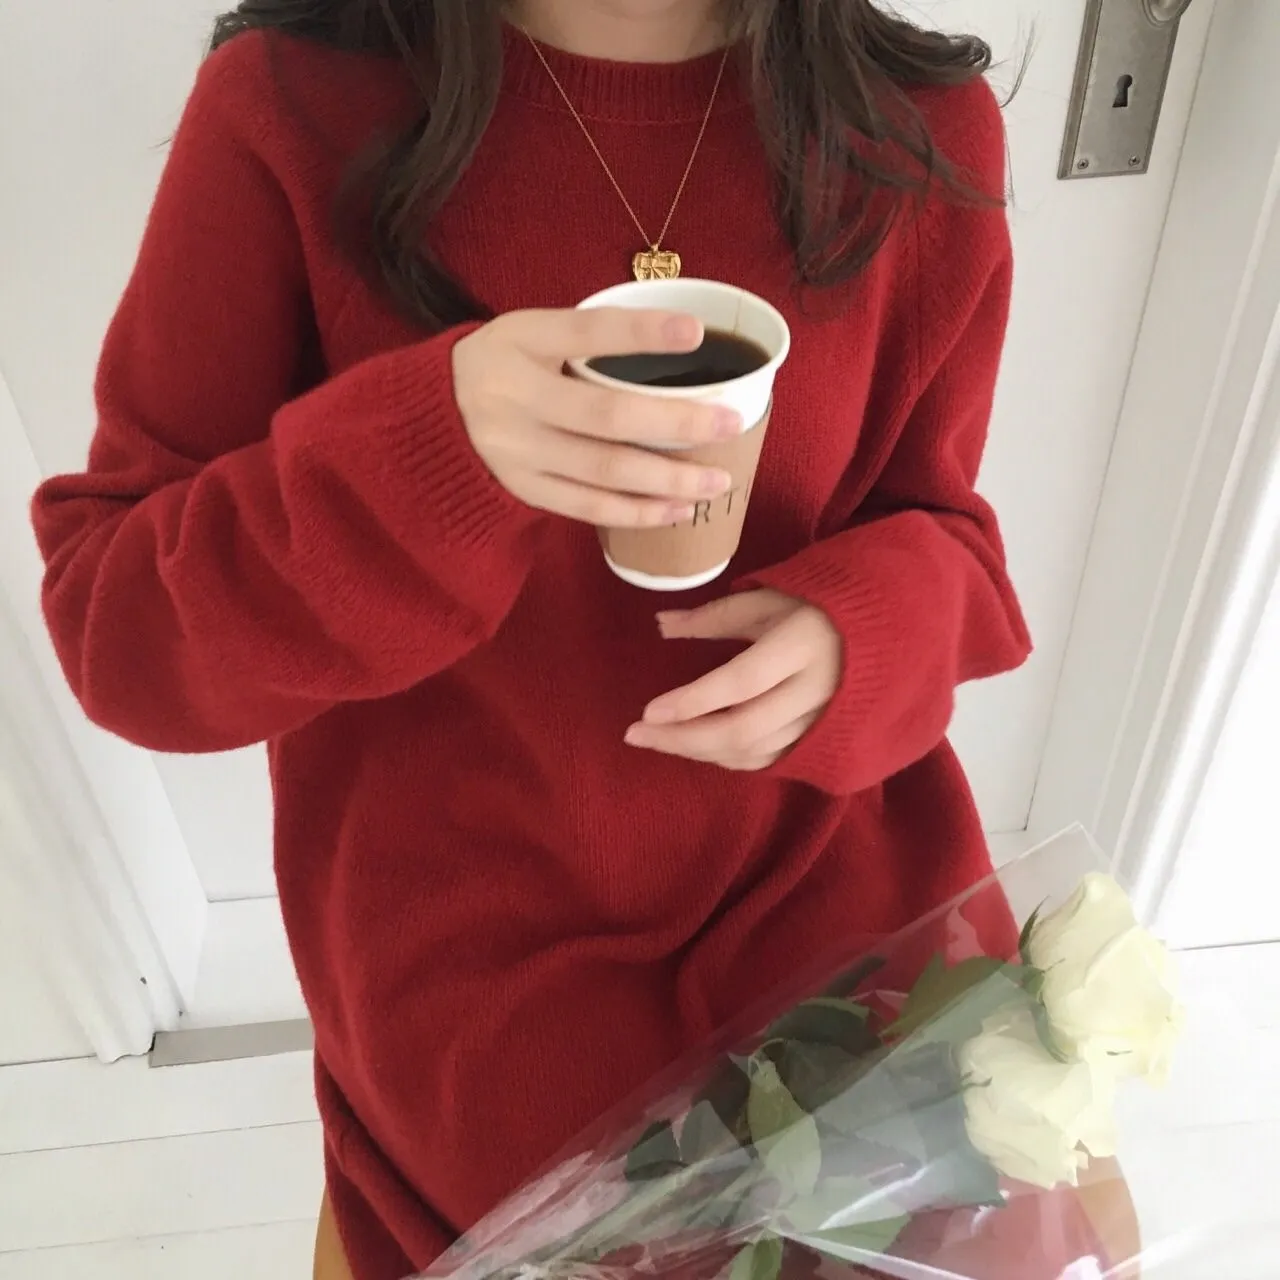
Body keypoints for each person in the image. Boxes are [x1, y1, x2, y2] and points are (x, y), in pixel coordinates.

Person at [31, 1, 1032, 1276]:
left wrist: (862, 633)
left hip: (845, 934)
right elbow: (119, 632)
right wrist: (422, 458)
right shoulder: (291, 105)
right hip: (476, 996)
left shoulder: (918, 131)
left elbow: (948, 534)